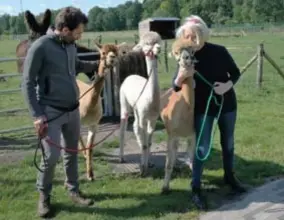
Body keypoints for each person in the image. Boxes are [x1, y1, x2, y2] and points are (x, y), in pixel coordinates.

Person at [21, 6, 99, 218]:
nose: (80, 36)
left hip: (72, 110)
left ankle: (73, 190)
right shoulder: (41, 47)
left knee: (72, 153)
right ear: (64, 29)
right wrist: (37, 115)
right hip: (50, 113)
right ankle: (44, 197)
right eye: (77, 32)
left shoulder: (71, 46)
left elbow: (76, 65)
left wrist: (98, 65)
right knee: (51, 156)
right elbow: (27, 83)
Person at [172, 15, 247, 210]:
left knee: (228, 143)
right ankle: (196, 188)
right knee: (202, 147)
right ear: (183, 37)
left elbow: (235, 72)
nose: (191, 38)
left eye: (195, 34)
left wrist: (227, 86)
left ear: (202, 34)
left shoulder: (219, 51)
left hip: (226, 104)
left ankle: (229, 177)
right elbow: (175, 86)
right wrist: (180, 78)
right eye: (187, 35)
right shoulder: (185, 56)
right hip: (202, 108)